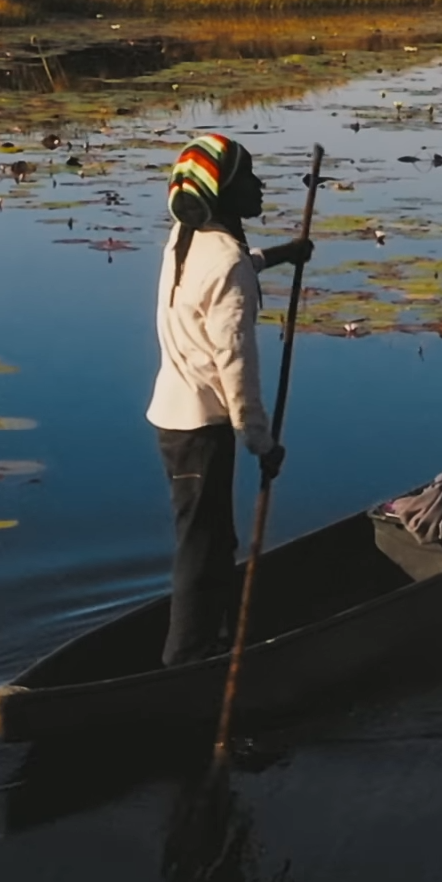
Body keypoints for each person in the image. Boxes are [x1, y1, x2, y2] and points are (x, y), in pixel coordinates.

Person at [148, 133, 312, 665]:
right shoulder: (226, 263)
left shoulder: (185, 237)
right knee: (202, 546)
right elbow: (236, 365)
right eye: (248, 179)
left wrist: (279, 256)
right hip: (202, 425)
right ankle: (185, 660)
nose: (260, 187)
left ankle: (209, 639)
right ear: (222, 191)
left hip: (174, 414)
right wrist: (261, 443)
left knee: (213, 539)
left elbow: (223, 272)